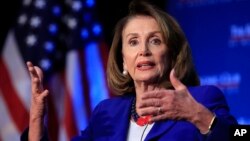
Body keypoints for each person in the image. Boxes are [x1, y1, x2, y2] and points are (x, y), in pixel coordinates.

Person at [21, 0, 237, 141]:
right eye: (133, 42)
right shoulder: (107, 113)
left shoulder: (203, 98)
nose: (143, 50)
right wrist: (36, 119)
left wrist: (198, 115)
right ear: (123, 60)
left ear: (172, 54)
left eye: (155, 41)